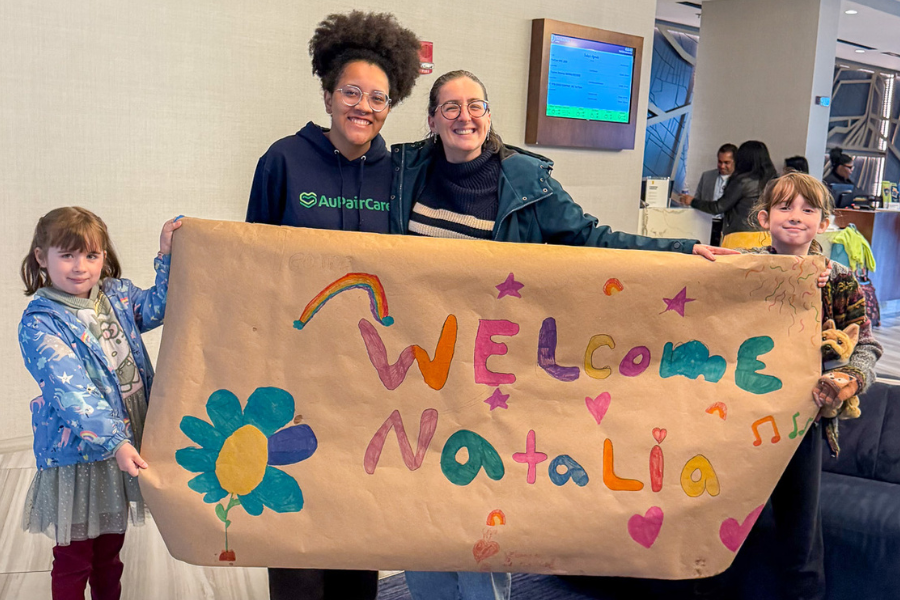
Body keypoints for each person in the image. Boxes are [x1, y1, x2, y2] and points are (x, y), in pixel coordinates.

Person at [390, 69, 737, 600]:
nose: (465, 116)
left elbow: (592, 239)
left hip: (490, 370)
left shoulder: (525, 181)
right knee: (417, 503)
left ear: (489, 114)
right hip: (414, 365)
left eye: (476, 105)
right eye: (451, 107)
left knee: (480, 502)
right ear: (433, 118)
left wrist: (685, 253)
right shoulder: (403, 169)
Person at [245, 10, 422, 600]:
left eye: (379, 97)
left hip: (370, 382)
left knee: (356, 525)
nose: (364, 106)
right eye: (352, 92)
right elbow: (251, 264)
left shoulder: (398, 173)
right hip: (292, 376)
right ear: (327, 93)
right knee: (294, 534)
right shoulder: (283, 160)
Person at [18, 207, 181, 600]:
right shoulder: (41, 321)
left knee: (110, 552)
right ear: (42, 257)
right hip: (79, 453)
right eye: (68, 255)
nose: (80, 267)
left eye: (91, 255)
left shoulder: (117, 295)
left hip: (123, 444)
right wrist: (115, 442)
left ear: (104, 256)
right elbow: (71, 393)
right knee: (75, 558)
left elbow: (162, 306)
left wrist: (168, 255)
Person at [744, 173, 882, 599]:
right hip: (736, 416)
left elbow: (866, 344)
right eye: (785, 207)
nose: (796, 217)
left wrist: (848, 379)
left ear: (824, 223)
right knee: (725, 522)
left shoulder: (839, 279)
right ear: (764, 218)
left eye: (808, 210)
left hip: (803, 421)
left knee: (800, 535)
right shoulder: (741, 270)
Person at [682, 140, 777, 248]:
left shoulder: (742, 182)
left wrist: (692, 201)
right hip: (767, 237)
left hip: (740, 236)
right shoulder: (774, 182)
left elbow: (718, 207)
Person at [679, 143, 736, 246]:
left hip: (728, 227)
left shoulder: (739, 181)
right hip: (706, 224)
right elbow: (698, 200)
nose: (722, 166)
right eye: (720, 162)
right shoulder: (707, 176)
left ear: (735, 162)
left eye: (726, 162)